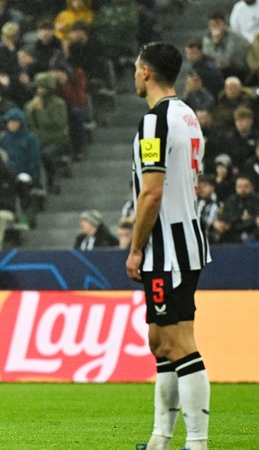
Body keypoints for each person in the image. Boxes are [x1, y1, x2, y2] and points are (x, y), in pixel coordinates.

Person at [129, 42, 211, 450]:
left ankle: (197, 442)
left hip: (168, 247)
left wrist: (135, 247)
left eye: (135, 67)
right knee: (159, 340)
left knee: (178, 341)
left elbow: (152, 193)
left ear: (145, 72)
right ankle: (160, 439)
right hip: (185, 239)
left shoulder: (154, 120)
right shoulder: (188, 115)